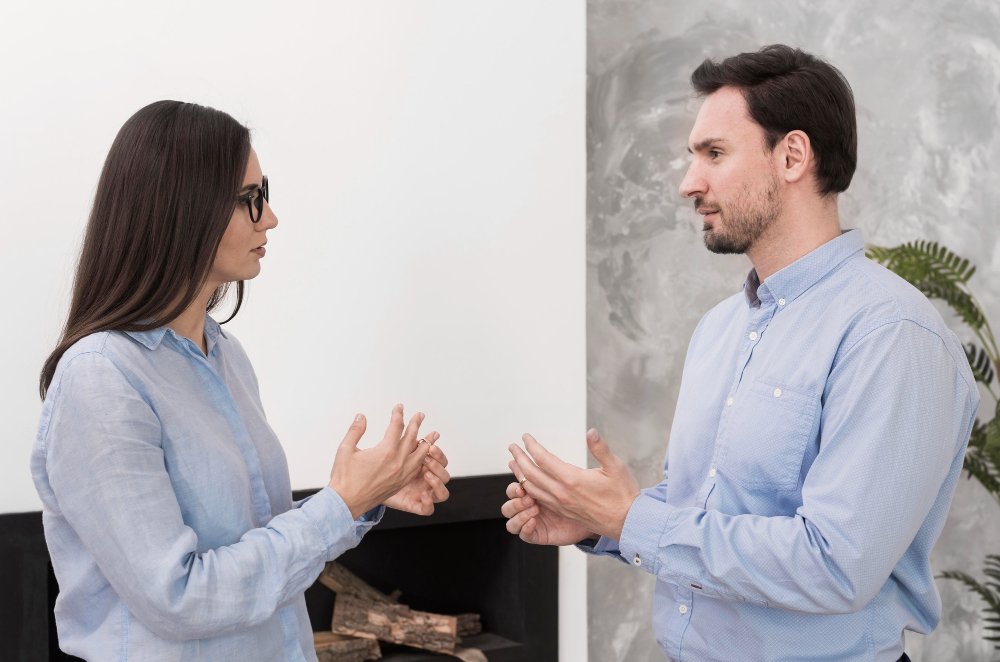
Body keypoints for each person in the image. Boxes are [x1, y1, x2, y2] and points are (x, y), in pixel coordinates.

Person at [502, 45, 979, 661]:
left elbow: (835, 564)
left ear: (792, 156)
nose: (687, 183)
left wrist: (633, 522)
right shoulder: (720, 329)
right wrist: (602, 520)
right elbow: (707, 509)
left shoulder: (891, 335)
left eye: (714, 154)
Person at [31, 100, 451, 661]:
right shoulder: (100, 381)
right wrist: (340, 505)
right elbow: (179, 598)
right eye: (250, 199)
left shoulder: (224, 355)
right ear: (183, 209)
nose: (270, 218)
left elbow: (254, 545)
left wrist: (360, 498)